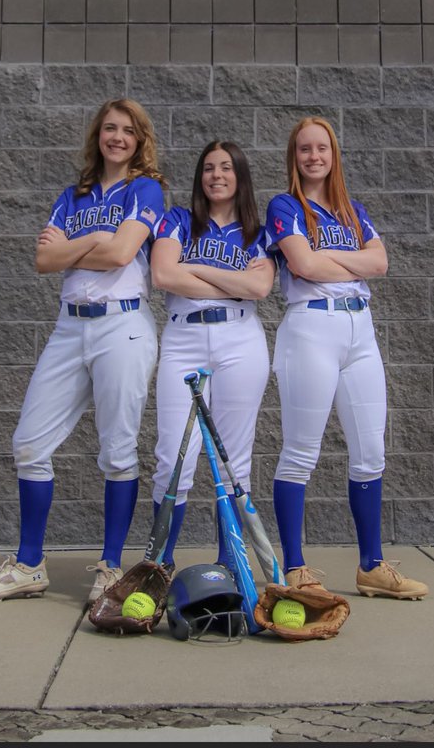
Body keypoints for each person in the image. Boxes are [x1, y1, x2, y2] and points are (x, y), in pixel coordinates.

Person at [0, 98, 167, 603]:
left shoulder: (146, 189)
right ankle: (30, 565)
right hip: (69, 326)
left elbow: (123, 253)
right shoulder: (73, 194)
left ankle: (109, 568)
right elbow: (42, 259)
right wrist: (95, 238)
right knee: (29, 444)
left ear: (139, 139)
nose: (116, 137)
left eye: (127, 130)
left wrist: (74, 247)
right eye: (108, 129)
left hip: (122, 325)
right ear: (97, 136)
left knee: (117, 450)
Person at [265, 117, 428, 600]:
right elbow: (303, 265)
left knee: (371, 452)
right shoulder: (284, 205)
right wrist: (342, 260)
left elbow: (380, 263)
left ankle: (371, 566)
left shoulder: (352, 209)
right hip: (311, 328)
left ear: (333, 154)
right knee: (300, 454)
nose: (314, 156)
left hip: (361, 330)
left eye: (322, 148)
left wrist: (328, 260)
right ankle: (295, 566)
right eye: (304, 149)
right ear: (294, 157)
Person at [150, 140, 275, 570]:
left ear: (239, 175)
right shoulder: (179, 219)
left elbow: (259, 289)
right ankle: (160, 566)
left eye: (225, 167)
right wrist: (230, 278)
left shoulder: (257, 231)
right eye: (208, 168)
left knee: (234, 463)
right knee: (172, 458)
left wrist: (195, 269)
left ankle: (230, 567)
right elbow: (164, 273)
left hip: (240, 340)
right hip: (184, 339)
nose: (216, 175)